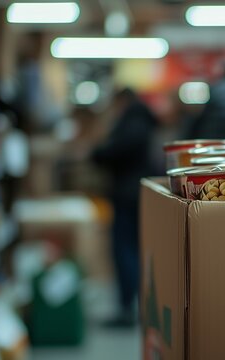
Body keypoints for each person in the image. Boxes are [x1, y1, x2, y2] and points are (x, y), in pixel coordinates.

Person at [91, 88, 158, 327]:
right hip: (134, 194)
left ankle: (128, 308)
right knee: (132, 249)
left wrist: (98, 153)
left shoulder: (134, 120)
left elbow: (118, 149)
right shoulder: (142, 119)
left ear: (123, 100)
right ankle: (132, 305)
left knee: (125, 250)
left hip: (128, 195)